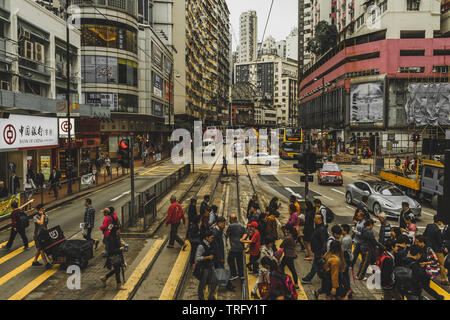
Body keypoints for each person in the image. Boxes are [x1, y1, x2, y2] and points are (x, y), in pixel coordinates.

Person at [301, 212, 328, 284]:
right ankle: (324, 277)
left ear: (319, 219)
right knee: (319, 266)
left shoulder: (322, 229)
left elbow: (324, 241)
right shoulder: (318, 227)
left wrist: (323, 252)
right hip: (316, 251)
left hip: (319, 252)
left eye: (315, 218)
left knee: (315, 266)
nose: (313, 220)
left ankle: (308, 278)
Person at [423, 215, 449, 285]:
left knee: (428, 262)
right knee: (442, 264)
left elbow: (424, 235)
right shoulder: (437, 230)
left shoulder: (429, 226)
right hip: (437, 250)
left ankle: (426, 275)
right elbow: (439, 242)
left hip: (428, 248)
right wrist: (444, 248)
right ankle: (443, 279)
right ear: (439, 221)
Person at [100, 225, 126, 290]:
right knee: (117, 270)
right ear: (115, 231)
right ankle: (118, 285)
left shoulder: (117, 237)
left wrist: (122, 244)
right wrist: (119, 249)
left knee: (117, 269)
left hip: (117, 256)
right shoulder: (111, 239)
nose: (119, 231)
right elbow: (111, 251)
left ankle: (105, 277)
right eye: (118, 230)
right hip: (113, 257)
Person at [195, 230, 218, 300]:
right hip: (204, 267)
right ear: (206, 238)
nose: (212, 239)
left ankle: (211, 295)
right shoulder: (201, 246)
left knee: (215, 280)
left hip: (210, 265)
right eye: (211, 238)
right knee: (203, 282)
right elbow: (197, 258)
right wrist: (207, 257)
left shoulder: (210, 243)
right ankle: (201, 296)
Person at [31, 204, 52, 269]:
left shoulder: (46, 215)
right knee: (41, 249)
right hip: (38, 235)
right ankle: (46, 263)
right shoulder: (35, 217)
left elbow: (45, 225)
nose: (44, 209)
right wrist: (42, 215)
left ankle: (34, 261)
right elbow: (41, 223)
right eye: (43, 208)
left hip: (44, 234)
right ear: (39, 210)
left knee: (40, 248)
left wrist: (48, 231)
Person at [226, 214, 246, 280]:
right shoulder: (241, 225)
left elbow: (227, 234)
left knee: (230, 260)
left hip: (233, 247)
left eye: (230, 219)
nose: (229, 220)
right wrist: (242, 239)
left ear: (232, 219)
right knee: (239, 261)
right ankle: (241, 275)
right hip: (240, 247)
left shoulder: (231, 226)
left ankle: (234, 274)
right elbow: (245, 233)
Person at [280, 226, 299, 290]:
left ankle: (294, 284)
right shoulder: (294, 237)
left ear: (288, 231)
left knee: (291, 269)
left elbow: (281, 245)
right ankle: (294, 283)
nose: (285, 230)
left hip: (288, 256)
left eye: (286, 229)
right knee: (282, 267)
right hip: (291, 255)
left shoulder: (288, 238)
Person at [340, 224, 353, 297]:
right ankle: (348, 289)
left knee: (344, 275)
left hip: (346, 258)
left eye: (341, 229)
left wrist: (342, 262)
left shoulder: (346, 239)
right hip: (346, 257)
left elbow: (342, 251)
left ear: (345, 230)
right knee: (345, 275)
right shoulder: (346, 237)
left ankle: (348, 290)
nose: (341, 231)